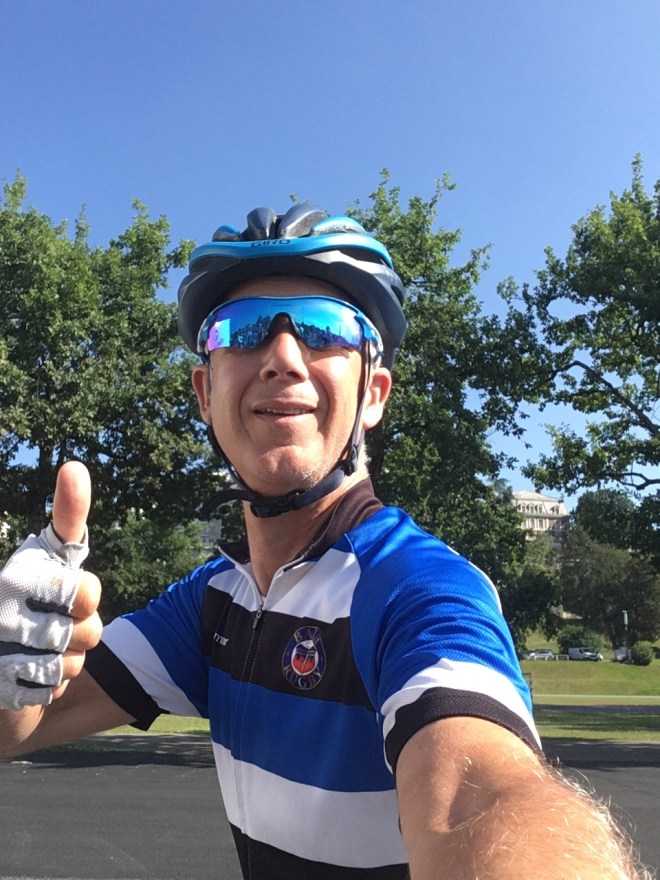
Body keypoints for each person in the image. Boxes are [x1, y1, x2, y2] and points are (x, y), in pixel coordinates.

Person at [0, 204, 651, 880]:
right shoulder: (211, 603)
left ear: (374, 393)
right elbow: (19, 727)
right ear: (205, 393)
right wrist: (11, 663)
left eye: (324, 327)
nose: (282, 357)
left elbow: (480, 800)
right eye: (241, 329)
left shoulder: (415, 591)